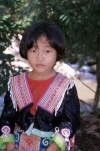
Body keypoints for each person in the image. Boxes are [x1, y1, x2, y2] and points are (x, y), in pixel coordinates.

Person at [0, 22, 80, 151]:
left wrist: (51, 149)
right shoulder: (15, 83)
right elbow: (7, 118)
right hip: (17, 144)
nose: (40, 58)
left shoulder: (66, 86)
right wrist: (11, 147)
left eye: (47, 51)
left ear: (57, 52)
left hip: (52, 145)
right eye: (33, 50)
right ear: (26, 51)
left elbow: (70, 122)